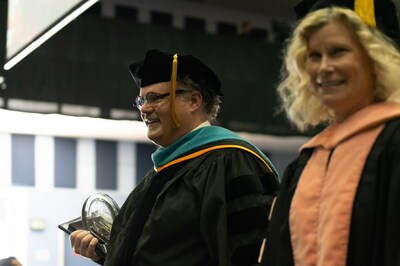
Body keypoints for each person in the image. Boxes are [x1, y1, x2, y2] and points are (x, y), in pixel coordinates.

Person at [70, 49, 280, 265]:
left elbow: (253, 253)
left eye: (154, 98)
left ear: (193, 101)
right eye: (141, 100)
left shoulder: (231, 161)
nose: (144, 109)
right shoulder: (158, 176)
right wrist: (105, 254)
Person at [261, 0, 400, 265]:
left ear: (374, 59)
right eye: (314, 55)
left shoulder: (393, 142)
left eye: (338, 52)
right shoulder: (306, 162)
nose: (323, 67)